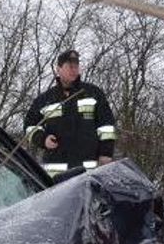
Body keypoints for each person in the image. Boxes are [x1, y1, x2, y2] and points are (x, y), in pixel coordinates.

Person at [24, 49, 117, 180]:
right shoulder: (45, 99)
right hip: (56, 175)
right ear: (59, 69)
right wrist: (42, 139)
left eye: (76, 66)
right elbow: (29, 126)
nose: (74, 70)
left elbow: (107, 126)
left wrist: (106, 154)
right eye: (70, 66)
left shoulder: (93, 93)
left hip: (88, 171)